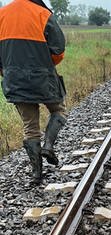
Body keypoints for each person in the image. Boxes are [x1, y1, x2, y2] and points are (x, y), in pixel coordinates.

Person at [0, 0, 66, 185]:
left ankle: (37, 175)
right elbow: (59, 50)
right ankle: (49, 146)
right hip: (43, 78)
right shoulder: (43, 14)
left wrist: (7, 71)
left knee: (30, 127)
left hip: (14, 80)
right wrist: (45, 64)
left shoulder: (2, 15)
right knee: (58, 110)